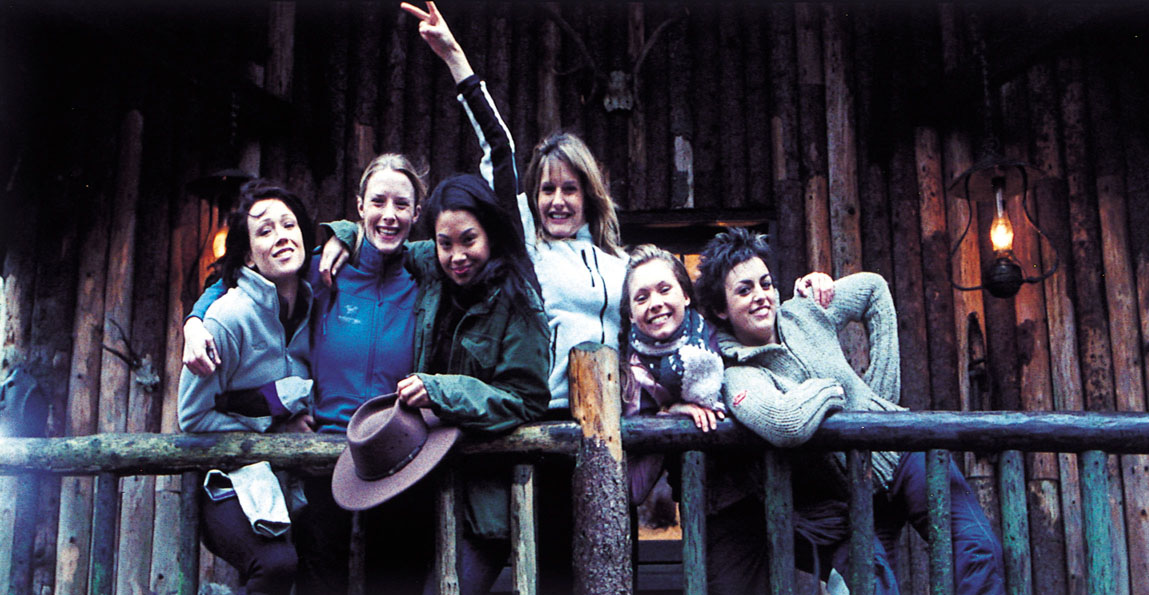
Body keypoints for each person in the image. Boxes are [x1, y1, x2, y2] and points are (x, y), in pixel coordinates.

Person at [694, 227, 1006, 595]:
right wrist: (837, 390)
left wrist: (878, 406)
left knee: (979, 551)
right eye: (744, 291)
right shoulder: (737, 375)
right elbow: (786, 423)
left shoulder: (804, 311)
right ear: (721, 309)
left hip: (903, 457)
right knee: (872, 585)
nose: (761, 296)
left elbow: (874, 290)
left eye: (766, 284)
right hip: (849, 495)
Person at [386, 172, 550, 595]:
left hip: (483, 502)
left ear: (490, 233)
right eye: (445, 243)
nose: (456, 255)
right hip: (418, 486)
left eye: (469, 240)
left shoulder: (519, 303)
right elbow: (386, 241)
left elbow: (526, 400)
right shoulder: (433, 270)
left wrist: (442, 391)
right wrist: (343, 237)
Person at [177, 179, 317, 595]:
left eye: (289, 225)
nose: (282, 236)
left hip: (291, 481)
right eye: (265, 231)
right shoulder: (227, 317)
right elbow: (192, 417)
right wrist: (274, 433)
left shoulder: (316, 307)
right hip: (229, 479)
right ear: (248, 256)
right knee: (275, 564)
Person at [619, 245, 726, 503]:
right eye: (641, 298)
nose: (655, 303)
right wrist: (667, 418)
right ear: (631, 315)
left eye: (665, 289)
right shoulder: (630, 376)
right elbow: (633, 488)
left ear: (686, 295)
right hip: (702, 504)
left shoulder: (722, 337)